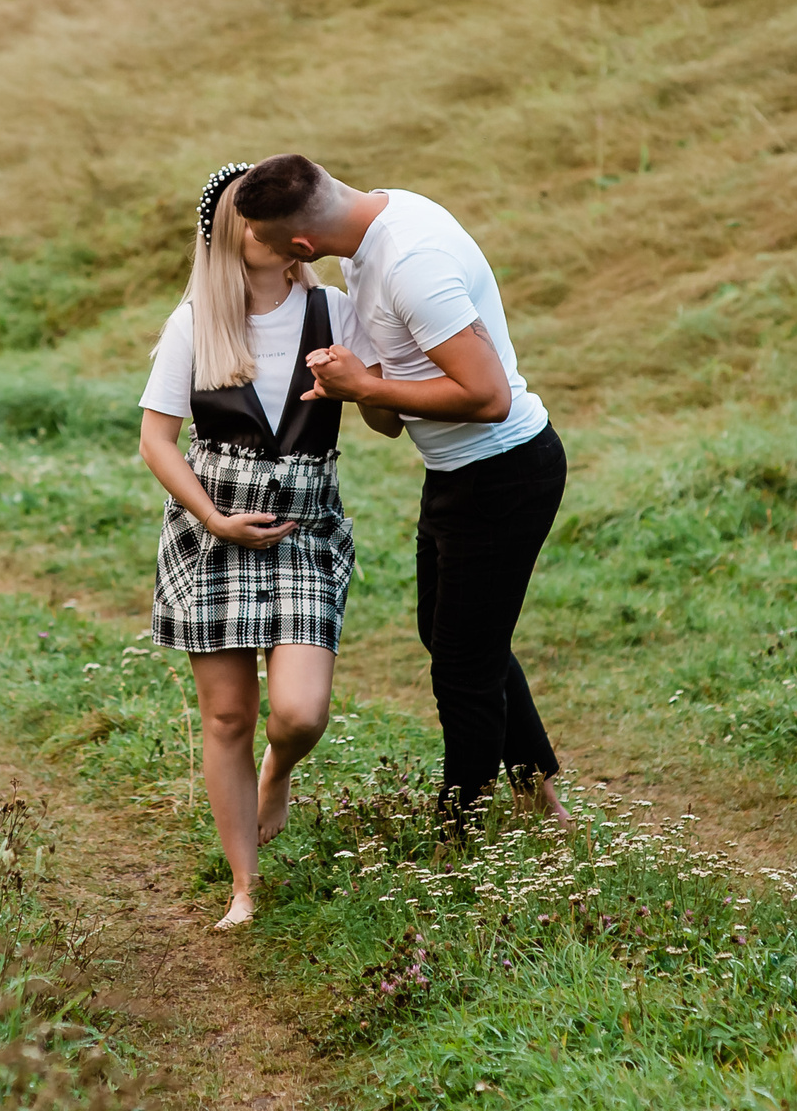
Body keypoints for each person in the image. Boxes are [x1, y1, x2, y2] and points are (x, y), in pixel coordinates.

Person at [232, 152, 572, 827]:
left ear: (302, 244)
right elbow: (389, 421)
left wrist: (368, 386)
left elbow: (489, 396)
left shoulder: (412, 260)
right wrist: (354, 384)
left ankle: (459, 836)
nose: (285, 266)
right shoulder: (365, 244)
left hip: (506, 470)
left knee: (462, 668)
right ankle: (540, 800)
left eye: (278, 252)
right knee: (450, 638)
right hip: (454, 474)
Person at [140, 162, 389, 930]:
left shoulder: (337, 312)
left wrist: (360, 387)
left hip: (305, 532)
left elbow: (386, 420)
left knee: (299, 714)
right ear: (231, 236)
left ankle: (279, 772)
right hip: (211, 538)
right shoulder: (194, 323)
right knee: (226, 719)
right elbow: (156, 441)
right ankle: (244, 887)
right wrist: (213, 518)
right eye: (258, 220)